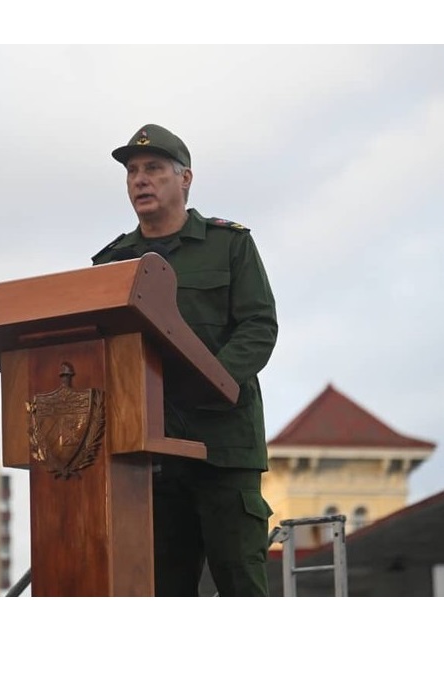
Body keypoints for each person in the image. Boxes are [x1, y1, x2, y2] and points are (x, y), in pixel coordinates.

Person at [92, 123, 279, 596]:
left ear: (185, 179)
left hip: (222, 449)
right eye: (132, 172)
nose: (140, 180)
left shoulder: (230, 244)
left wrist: (207, 384)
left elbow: (258, 327)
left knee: (241, 583)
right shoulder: (112, 263)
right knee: (162, 591)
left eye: (153, 169)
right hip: (148, 455)